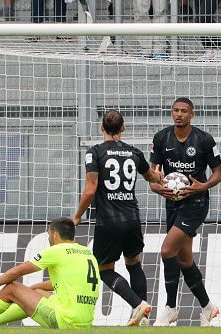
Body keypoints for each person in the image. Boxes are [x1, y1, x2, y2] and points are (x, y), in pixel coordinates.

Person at [73, 110, 164, 326]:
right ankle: (143, 319)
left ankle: (138, 305)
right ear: (123, 128)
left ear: (101, 128)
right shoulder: (134, 152)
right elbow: (152, 177)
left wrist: (76, 217)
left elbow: (90, 190)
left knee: (104, 270)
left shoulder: (94, 152)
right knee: (134, 263)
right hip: (132, 219)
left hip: (108, 221)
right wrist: (159, 175)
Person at [0, 217, 101, 329]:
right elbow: (65, 283)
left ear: (54, 235)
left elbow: (16, 272)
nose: (48, 238)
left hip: (65, 321)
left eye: (48, 235)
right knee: (38, 292)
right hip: (84, 323)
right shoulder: (86, 252)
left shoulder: (56, 250)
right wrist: (31, 289)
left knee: (12, 289)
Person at [149, 97, 221, 326]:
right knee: (184, 260)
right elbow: (152, 177)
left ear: (192, 114)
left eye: (183, 111)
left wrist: (204, 185)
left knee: (166, 250)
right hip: (172, 202)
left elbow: (218, 174)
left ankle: (170, 307)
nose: (179, 114)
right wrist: (158, 187)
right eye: (175, 110)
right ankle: (207, 307)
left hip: (196, 203)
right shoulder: (161, 138)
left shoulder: (204, 139)